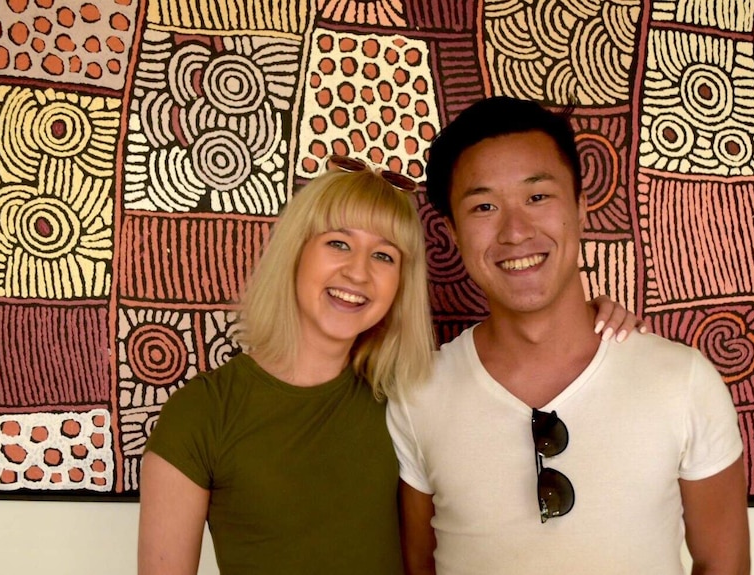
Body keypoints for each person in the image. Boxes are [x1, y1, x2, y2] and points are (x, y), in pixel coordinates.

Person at [137, 156, 643, 574]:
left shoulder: (407, 393)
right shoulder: (202, 411)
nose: (358, 272)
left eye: (384, 256)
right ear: (295, 252)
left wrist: (591, 317)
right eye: (338, 243)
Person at [387, 96, 751, 575]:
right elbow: (419, 566)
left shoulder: (681, 380)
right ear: (452, 232)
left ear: (581, 206)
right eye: (484, 206)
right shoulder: (418, 393)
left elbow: (724, 564)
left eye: (537, 197)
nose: (515, 231)